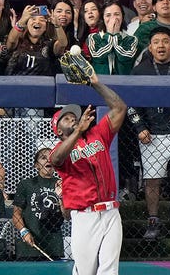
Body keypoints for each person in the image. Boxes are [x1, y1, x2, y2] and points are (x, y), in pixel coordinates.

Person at [49, 72, 127, 275]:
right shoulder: (59, 148)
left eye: (74, 117)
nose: (73, 119)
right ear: (58, 130)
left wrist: (95, 83)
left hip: (110, 211)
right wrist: (77, 132)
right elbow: (56, 160)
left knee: (110, 270)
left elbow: (119, 108)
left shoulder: (98, 134)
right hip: (85, 216)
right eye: (66, 118)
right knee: (85, 272)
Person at [128, 26, 170, 240]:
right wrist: (140, 127)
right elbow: (131, 104)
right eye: (156, 42)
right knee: (152, 180)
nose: (161, 46)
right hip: (152, 131)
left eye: (165, 41)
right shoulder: (140, 70)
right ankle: (153, 220)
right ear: (150, 46)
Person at [12, 148, 65, 260]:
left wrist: (61, 196)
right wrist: (24, 231)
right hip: (30, 246)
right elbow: (16, 214)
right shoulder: (26, 184)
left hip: (54, 245)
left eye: (51, 157)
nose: (48, 160)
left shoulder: (61, 184)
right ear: (36, 165)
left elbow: (67, 215)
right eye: (43, 158)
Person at [5, 4, 67, 76]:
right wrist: (21, 21)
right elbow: (11, 41)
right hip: (14, 85)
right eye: (33, 19)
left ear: (45, 27)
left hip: (43, 85)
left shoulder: (50, 45)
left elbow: (62, 44)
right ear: (26, 24)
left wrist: (57, 25)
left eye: (41, 19)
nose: (37, 22)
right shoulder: (18, 40)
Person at [87, 1, 138, 75]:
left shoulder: (131, 39)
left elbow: (125, 57)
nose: (113, 18)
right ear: (103, 18)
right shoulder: (93, 37)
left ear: (122, 16)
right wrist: (109, 34)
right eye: (108, 15)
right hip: (101, 82)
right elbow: (98, 56)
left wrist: (116, 35)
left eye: (116, 14)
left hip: (124, 82)